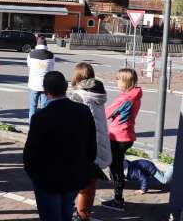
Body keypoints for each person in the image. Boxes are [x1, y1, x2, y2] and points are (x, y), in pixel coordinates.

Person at [24, 71, 96, 221]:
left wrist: (35, 176)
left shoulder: (40, 117)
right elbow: (91, 147)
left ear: (46, 91)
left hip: (48, 179)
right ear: (65, 87)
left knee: (52, 216)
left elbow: (30, 153)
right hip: (74, 175)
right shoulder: (83, 111)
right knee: (66, 212)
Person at [68, 63, 112, 221]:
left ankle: (79, 214)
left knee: (78, 182)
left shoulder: (79, 96)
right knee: (90, 181)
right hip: (100, 141)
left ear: (77, 76)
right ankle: (85, 213)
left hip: (86, 144)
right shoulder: (98, 93)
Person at [101, 68, 143, 211]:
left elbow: (106, 113)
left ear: (126, 81)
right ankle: (117, 197)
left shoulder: (125, 99)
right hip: (126, 135)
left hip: (119, 137)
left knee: (116, 168)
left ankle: (118, 201)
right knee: (116, 165)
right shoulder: (135, 95)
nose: (116, 81)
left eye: (119, 79)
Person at [27, 36, 55, 121]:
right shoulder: (51, 55)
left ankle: (32, 126)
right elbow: (51, 69)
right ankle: (44, 125)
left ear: (37, 44)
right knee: (44, 107)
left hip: (33, 84)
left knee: (33, 106)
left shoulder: (31, 54)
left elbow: (29, 67)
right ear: (46, 44)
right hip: (45, 85)